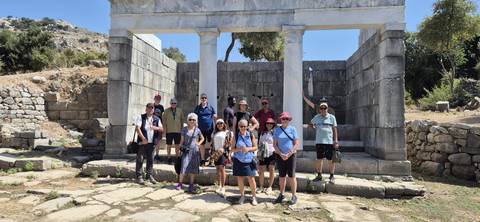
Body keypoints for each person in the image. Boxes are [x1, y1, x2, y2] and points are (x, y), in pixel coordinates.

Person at [273, 112, 299, 205]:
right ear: (281, 119)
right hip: (280, 156)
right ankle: (281, 194)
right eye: (283, 119)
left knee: (292, 176)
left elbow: (296, 143)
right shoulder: (277, 130)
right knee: (282, 176)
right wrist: (281, 154)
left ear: (289, 120)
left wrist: (289, 153)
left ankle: (294, 195)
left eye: (287, 119)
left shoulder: (293, 129)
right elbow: (274, 145)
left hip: (291, 155)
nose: (285, 120)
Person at [310, 102, 339, 184]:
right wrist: (314, 127)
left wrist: (336, 140)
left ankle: (332, 176)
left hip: (329, 142)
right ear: (319, 109)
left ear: (327, 109)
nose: (323, 110)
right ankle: (319, 175)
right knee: (319, 159)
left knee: (331, 160)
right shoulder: (317, 117)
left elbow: (335, 129)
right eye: (321, 108)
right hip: (319, 142)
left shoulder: (332, 117)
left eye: (324, 108)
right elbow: (310, 124)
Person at [231, 119, 258, 205]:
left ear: (247, 127)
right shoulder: (235, 136)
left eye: (245, 126)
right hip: (238, 159)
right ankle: (242, 196)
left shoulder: (250, 135)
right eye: (241, 126)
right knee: (240, 178)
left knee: (251, 178)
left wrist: (248, 149)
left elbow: (255, 147)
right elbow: (232, 149)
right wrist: (239, 149)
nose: (243, 128)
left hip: (249, 160)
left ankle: (254, 197)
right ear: (238, 127)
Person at [135, 103, 163, 185]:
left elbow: (162, 129)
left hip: (152, 143)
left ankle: (149, 175)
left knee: (150, 160)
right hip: (142, 142)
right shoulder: (141, 117)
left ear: (153, 110)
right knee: (140, 159)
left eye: (152, 108)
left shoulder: (157, 119)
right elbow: (137, 128)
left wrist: (156, 128)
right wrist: (143, 138)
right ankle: (139, 176)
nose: (150, 110)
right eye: (149, 108)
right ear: (146, 109)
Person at [176, 113, 205, 193]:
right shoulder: (184, 129)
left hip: (195, 151)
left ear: (196, 121)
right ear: (188, 120)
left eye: (194, 120)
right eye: (190, 119)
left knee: (193, 168)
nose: (192, 121)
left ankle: (191, 184)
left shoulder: (197, 130)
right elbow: (181, 141)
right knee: (183, 167)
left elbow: (202, 138)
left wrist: (198, 144)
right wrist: (179, 150)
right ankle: (180, 183)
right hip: (186, 151)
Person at [194, 93, 217, 165]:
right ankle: (203, 159)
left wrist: (216, 127)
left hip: (210, 129)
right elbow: (195, 117)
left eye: (205, 98)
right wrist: (195, 125)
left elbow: (215, 116)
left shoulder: (210, 107)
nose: (204, 99)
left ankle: (211, 159)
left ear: (207, 99)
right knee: (202, 144)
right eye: (202, 98)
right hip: (200, 130)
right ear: (200, 99)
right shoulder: (197, 108)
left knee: (211, 144)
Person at [211, 119, 233, 197]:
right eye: (218, 123)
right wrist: (212, 153)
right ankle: (219, 185)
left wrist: (230, 154)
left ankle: (223, 187)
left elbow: (230, 144)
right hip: (216, 153)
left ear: (224, 124)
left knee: (222, 168)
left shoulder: (228, 132)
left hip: (223, 153)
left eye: (221, 123)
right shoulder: (214, 133)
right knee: (217, 169)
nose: (219, 125)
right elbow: (212, 144)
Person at [257, 117, 276, 194]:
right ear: (265, 124)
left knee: (272, 169)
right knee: (261, 170)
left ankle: (270, 187)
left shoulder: (275, 133)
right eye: (268, 123)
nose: (269, 125)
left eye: (271, 123)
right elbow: (260, 143)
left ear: (273, 125)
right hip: (263, 153)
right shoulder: (262, 133)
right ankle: (261, 186)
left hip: (272, 153)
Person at [162, 98, 184, 164]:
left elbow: (182, 120)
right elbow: (164, 121)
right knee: (169, 145)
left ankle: (177, 157)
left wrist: (182, 130)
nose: (173, 104)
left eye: (174, 103)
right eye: (172, 103)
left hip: (178, 131)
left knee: (177, 145)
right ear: (170, 104)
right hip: (169, 131)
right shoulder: (166, 111)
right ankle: (169, 157)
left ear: (176, 104)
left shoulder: (180, 110)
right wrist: (164, 131)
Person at [153, 93, 165, 161]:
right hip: (153, 125)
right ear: (154, 99)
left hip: (159, 125)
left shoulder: (161, 107)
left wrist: (163, 126)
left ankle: (157, 154)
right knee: (152, 140)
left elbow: (162, 116)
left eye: (159, 99)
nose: (157, 100)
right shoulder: (152, 106)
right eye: (156, 98)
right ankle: (152, 154)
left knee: (158, 141)